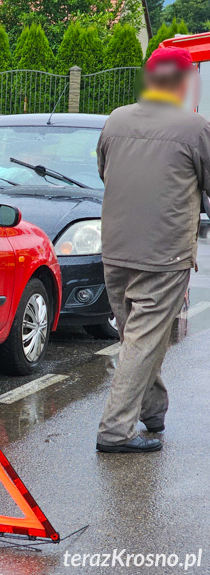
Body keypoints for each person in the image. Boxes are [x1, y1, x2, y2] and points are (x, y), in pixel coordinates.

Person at [95, 46, 210, 453]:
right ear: (181, 84)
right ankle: (114, 432)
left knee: (138, 336)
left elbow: (105, 172)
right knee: (143, 341)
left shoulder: (116, 119)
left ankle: (153, 411)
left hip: (116, 249)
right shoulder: (195, 127)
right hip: (164, 256)